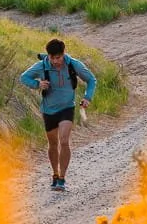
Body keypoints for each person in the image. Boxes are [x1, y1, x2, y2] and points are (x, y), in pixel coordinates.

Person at [20, 38, 96, 192]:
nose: (56, 61)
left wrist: (87, 97)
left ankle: (62, 178)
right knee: (53, 144)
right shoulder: (42, 66)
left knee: (64, 141)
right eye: (52, 58)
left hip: (67, 108)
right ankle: (55, 174)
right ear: (48, 56)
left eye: (58, 57)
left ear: (63, 54)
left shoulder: (73, 64)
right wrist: (37, 84)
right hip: (48, 110)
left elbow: (91, 80)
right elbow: (24, 77)